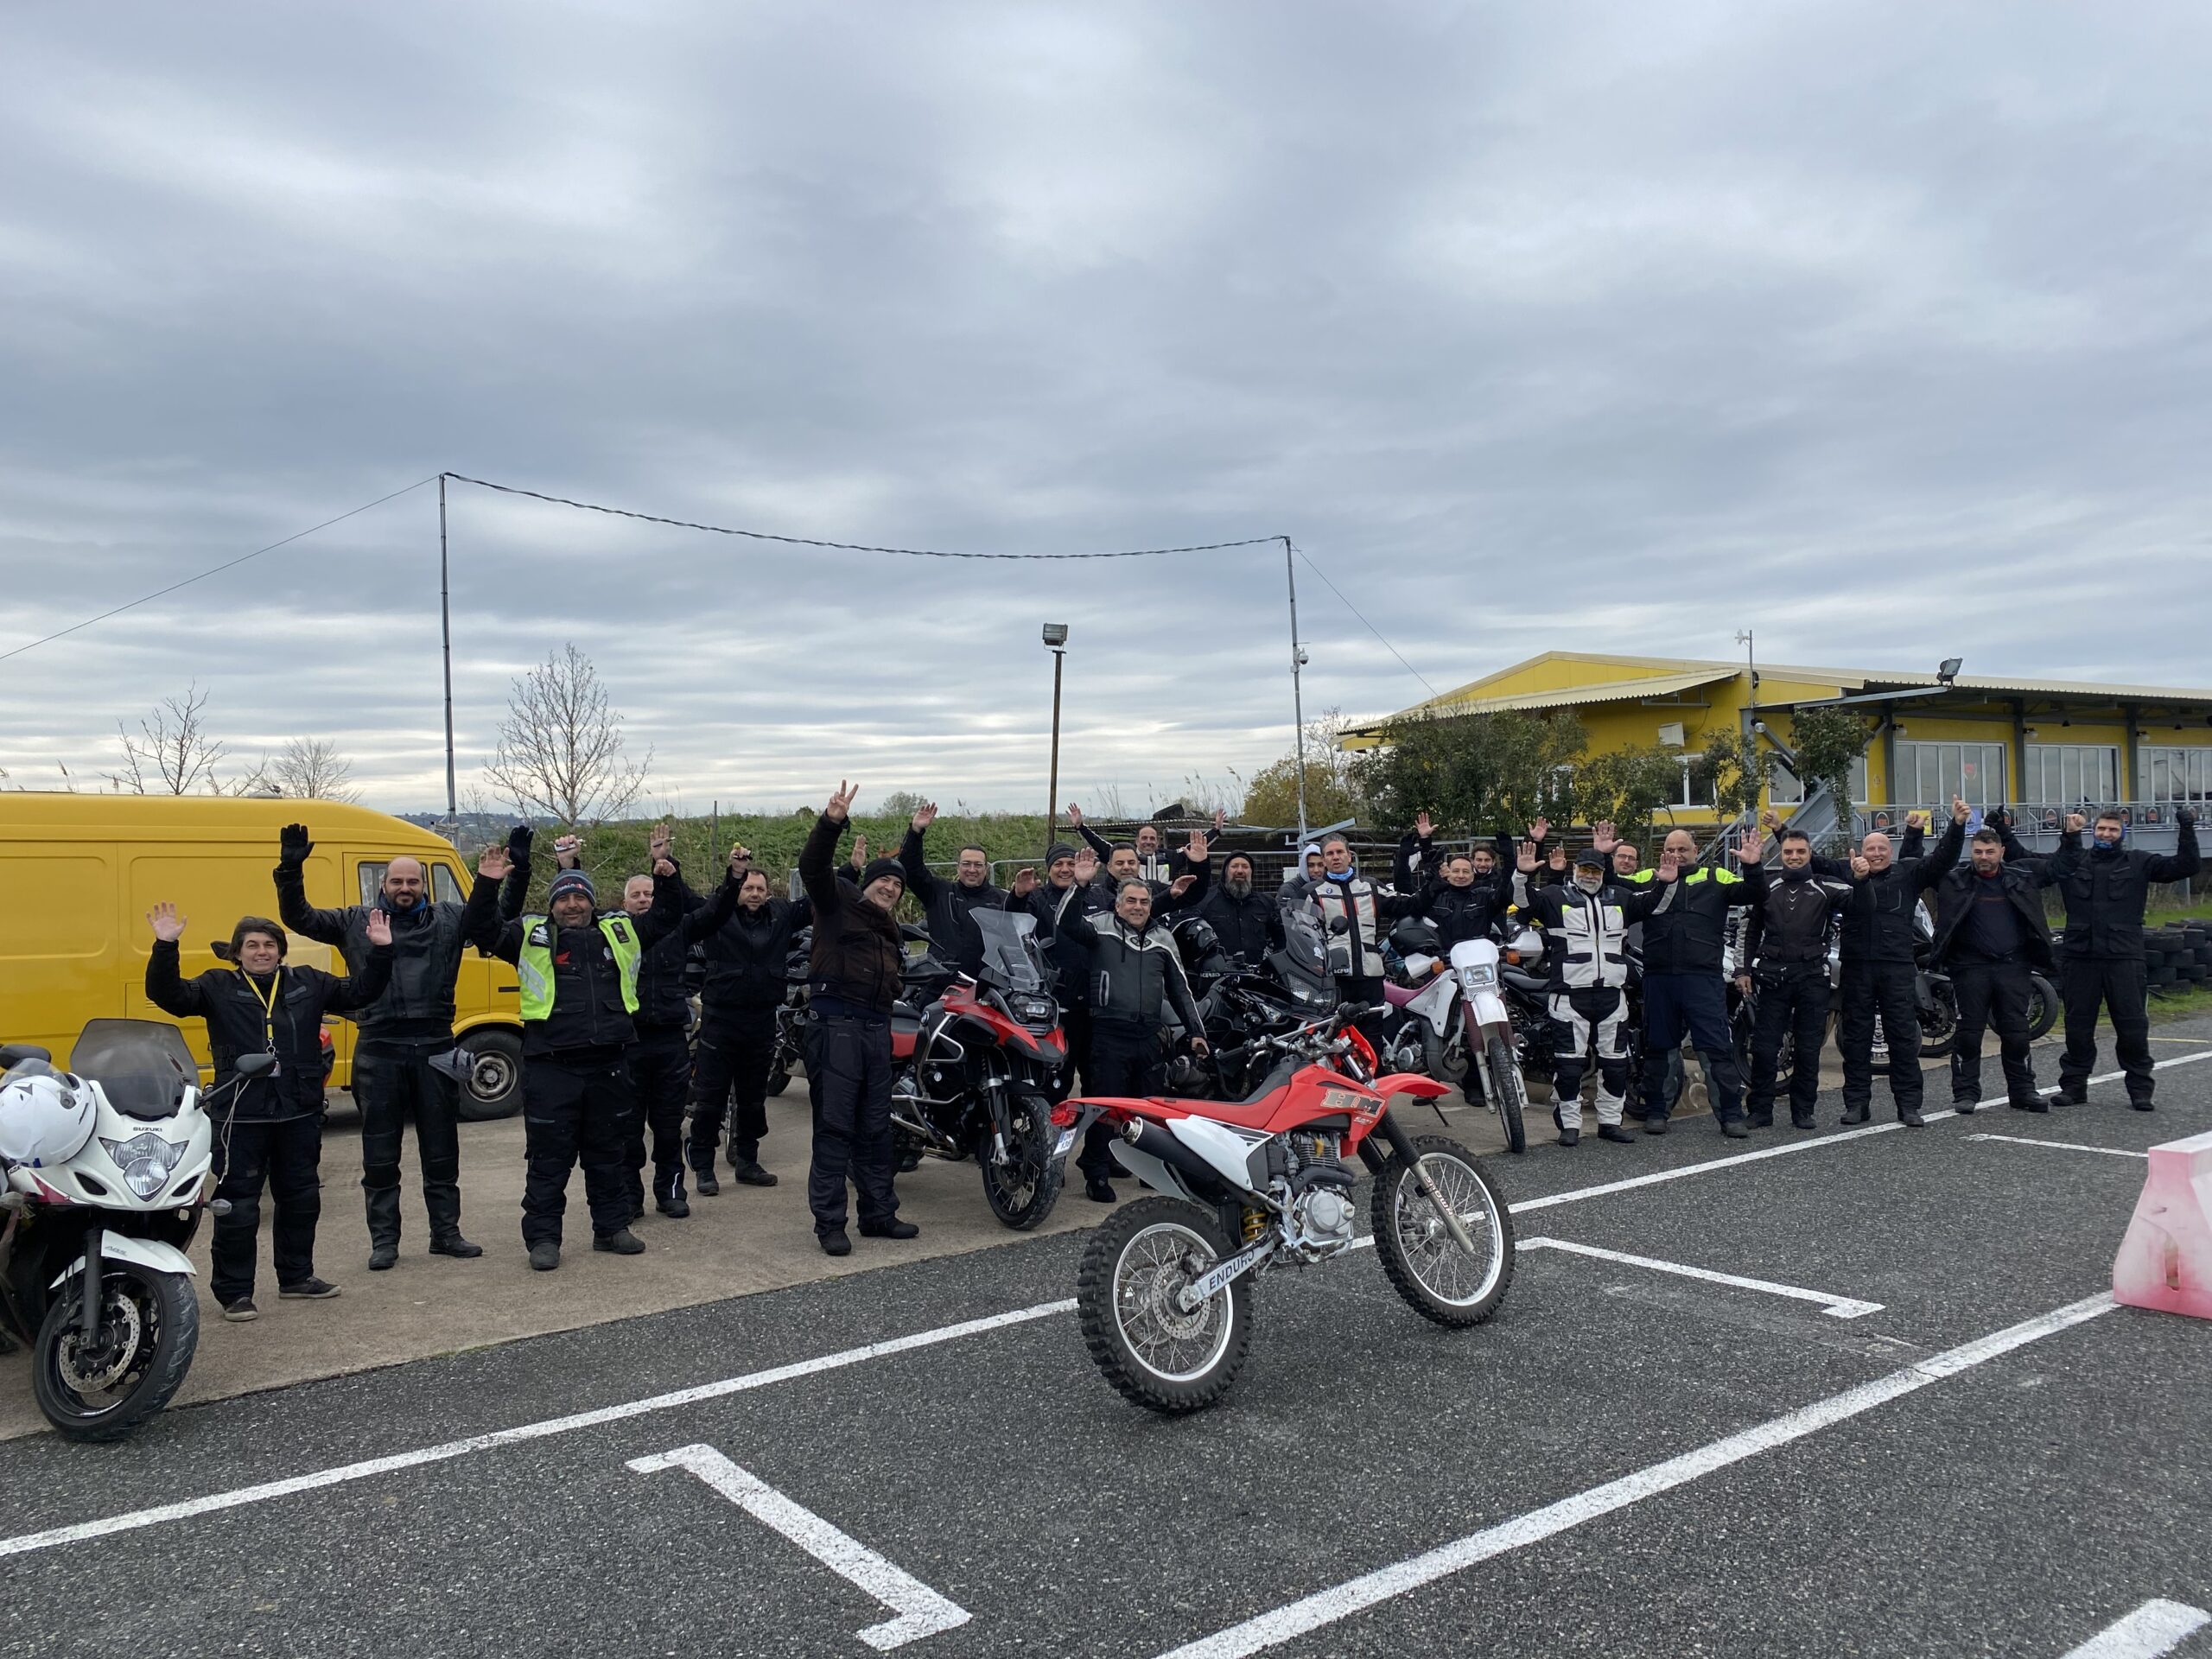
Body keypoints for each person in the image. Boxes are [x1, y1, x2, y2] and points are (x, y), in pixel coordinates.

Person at [143, 903, 393, 1320]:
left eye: (269, 945)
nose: (262, 952)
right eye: (252, 945)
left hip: (298, 1110)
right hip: (241, 1114)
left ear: (281, 951)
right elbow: (167, 995)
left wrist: (381, 951)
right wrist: (165, 946)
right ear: (237, 952)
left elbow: (361, 992)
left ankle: (296, 1277)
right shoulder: (217, 985)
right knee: (238, 1206)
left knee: (301, 1198)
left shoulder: (309, 982)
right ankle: (235, 1293)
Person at [464, 829, 685, 1270]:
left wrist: (666, 874)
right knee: (549, 1161)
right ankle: (544, 1239)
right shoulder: (528, 935)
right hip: (552, 1068)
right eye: (563, 898)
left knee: (610, 1154)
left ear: (591, 901)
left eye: (579, 897)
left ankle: (611, 1228)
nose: (571, 905)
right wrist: (488, 884)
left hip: (609, 1065)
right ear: (552, 905)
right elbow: (480, 929)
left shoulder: (620, 931)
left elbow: (666, 917)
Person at [274, 822, 485, 1270]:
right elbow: (300, 918)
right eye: (396, 881)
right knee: (380, 1154)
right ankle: (385, 1241)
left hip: (436, 1047)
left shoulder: (449, 918)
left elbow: (489, 915)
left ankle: (446, 1234)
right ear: (383, 885)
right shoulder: (354, 921)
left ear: (424, 885)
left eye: (413, 881)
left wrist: (495, 878)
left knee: (442, 1151)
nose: (405, 888)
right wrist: (290, 871)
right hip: (380, 1048)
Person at [1018, 872, 1208, 1201]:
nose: (1138, 907)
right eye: (1131, 901)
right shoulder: (1100, 927)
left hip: (1149, 1035)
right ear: (1118, 905)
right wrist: (1079, 886)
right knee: (1105, 1107)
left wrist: (1196, 1032)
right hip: (1108, 1034)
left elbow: (1180, 990)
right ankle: (1096, 1172)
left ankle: (1149, 1168)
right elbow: (1066, 922)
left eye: (1144, 902)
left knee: (1149, 1108)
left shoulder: (1163, 938)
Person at [799, 781, 917, 1257]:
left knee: (875, 1128)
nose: (890, 888)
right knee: (834, 1129)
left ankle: (878, 1214)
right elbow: (812, 867)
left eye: (897, 885)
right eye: (884, 881)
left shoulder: (890, 929)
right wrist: (831, 823)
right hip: (835, 1029)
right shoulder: (837, 903)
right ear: (867, 882)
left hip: (875, 1030)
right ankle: (830, 1223)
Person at [1511, 826, 1673, 1146]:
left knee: (1616, 1065)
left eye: (1595, 870)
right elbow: (1523, 903)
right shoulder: (1555, 897)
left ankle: (1610, 1122)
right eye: (1585, 869)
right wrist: (1521, 874)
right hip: (1569, 997)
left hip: (1612, 996)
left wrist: (1667, 882)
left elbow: (1657, 905)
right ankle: (1569, 1125)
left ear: (1603, 872)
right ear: (1575, 870)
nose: (1590, 875)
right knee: (1569, 1067)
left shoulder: (1621, 897)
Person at [602, 846, 741, 1221]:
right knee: (627, 1128)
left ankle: (671, 1192)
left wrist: (734, 878)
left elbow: (717, 913)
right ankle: (630, 1197)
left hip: (668, 1041)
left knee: (667, 1127)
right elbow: (572, 913)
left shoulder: (680, 927)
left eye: (649, 893)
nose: (643, 899)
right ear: (624, 902)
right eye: (636, 894)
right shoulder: (611, 933)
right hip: (627, 1042)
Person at [1816, 800, 1967, 1127]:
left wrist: (1957, 826)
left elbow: (1943, 859)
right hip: (1857, 967)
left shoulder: (1908, 874)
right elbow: (1812, 861)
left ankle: (1909, 1105)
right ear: (1861, 853)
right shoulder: (1848, 872)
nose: (1876, 854)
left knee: (1902, 1036)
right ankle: (1857, 1104)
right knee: (1856, 1038)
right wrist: (1780, 831)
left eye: (1882, 848)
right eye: (1870, 849)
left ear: (1890, 851)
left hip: (1896, 967)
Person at [2040, 807, 2201, 1110]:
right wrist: (2003, 831)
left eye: (2113, 830)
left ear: (2122, 833)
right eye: (2102, 829)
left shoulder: (2139, 862)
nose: (2106, 834)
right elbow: (2026, 858)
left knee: (2132, 1026)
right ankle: (2074, 1087)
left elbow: (2186, 866)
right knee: (2077, 1026)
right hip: (2080, 957)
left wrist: (2187, 827)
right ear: (2093, 831)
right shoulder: (2073, 861)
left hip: (2124, 958)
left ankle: (2140, 1090)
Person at [1614, 827, 1764, 1136]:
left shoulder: (1715, 877)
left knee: (1716, 1048)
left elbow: (1756, 893)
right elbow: (1612, 885)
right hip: (1659, 979)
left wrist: (1752, 866)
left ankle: (1730, 1116)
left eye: (1683, 849)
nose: (1677, 855)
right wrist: (1605, 856)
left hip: (1702, 979)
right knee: (1659, 1048)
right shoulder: (1649, 877)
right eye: (1671, 850)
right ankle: (1657, 1112)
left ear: (1695, 850)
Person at [689, 848, 808, 1193]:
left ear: (768, 893)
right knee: (710, 1098)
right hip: (720, 1020)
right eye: (748, 888)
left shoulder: (781, 915)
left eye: (760, 889)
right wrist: (734, 874)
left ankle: (748, 1161)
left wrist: (851, 870)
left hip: (761, 1021)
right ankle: (703, 1167)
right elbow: (696, 900)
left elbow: (820, 895)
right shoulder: (718, 914)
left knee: (753, 1099)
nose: (754, 894)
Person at [1923, 821, 2056, 1113]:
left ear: (2002, 852)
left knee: (2017, 1034)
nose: (1984, 857)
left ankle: (2023, 1091)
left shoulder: (2022, 877)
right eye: (1978, 852)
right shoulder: (1954, 880)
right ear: (1972, 852)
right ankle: (1966, 1093)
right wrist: (1955, 827)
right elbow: (1932, 862)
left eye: (1990, 851)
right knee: (1969, 1035)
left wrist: (2071, 836)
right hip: (1970, 968)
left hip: (2013, 967)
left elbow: (2062, 867)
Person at [1738, 829, 1854, 1129]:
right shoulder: (1766, 885)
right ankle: (1760, 1110)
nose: (1794, 857)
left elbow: (1861, 904)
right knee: (1764, 1047)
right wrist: (1743, 970)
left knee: (1808, 1048)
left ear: (1810, 853)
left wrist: (1862, 878)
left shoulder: (1825, 886)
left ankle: (1803, 1110)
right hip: (1772, 977)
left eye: (1800, 851)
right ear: (1781, 854)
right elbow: (1750, 931)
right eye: (1789, 852)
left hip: (1812, 978)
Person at [1007, 842, 1114, 1097]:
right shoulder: (1037, 898)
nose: (1065, 869)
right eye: (1058, 864)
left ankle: (1096, 1125)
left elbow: (1131, 912)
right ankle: (1052, 1123)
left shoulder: (1098, 896)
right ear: (1049, 870)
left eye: (1070, 863)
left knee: (1097, 1080)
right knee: (1056, 1080)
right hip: (1057, 1005)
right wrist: (1018, 896)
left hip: (1096, 1004)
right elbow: (1011, 923)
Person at [899, 803, 1007, 978]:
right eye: (966, 864)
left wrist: (1021, 895)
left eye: (978, 865)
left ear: (986, 869)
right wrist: (915, 832)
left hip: (987, 981)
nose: (972, 869)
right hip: (943, 978)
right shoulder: (939, 892)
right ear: (958, 867)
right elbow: (910, 869)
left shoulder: (1002, 898)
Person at [1070, 804, 1221, 887]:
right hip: (1131, 904)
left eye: (1152, 838)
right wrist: (1080, 827)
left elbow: (1195, 847)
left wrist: (1216, 830)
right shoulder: (1126, 856)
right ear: (1137, 841)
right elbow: (1099, 844)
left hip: (1163, 906)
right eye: (1144, 838)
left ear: (1158, 841)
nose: (1148, 841)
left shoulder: (1169, 857)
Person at [1195, 851, 1284, 968]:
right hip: (1217, 974)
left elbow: (1281, 938)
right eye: (1234, 866)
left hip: (1256, 973)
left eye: (1245, 867)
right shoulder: (1206, 900)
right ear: (1225, 872)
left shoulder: (1266, 903)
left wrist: (1275, 965)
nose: (1240, 871)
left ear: (1251, 872)